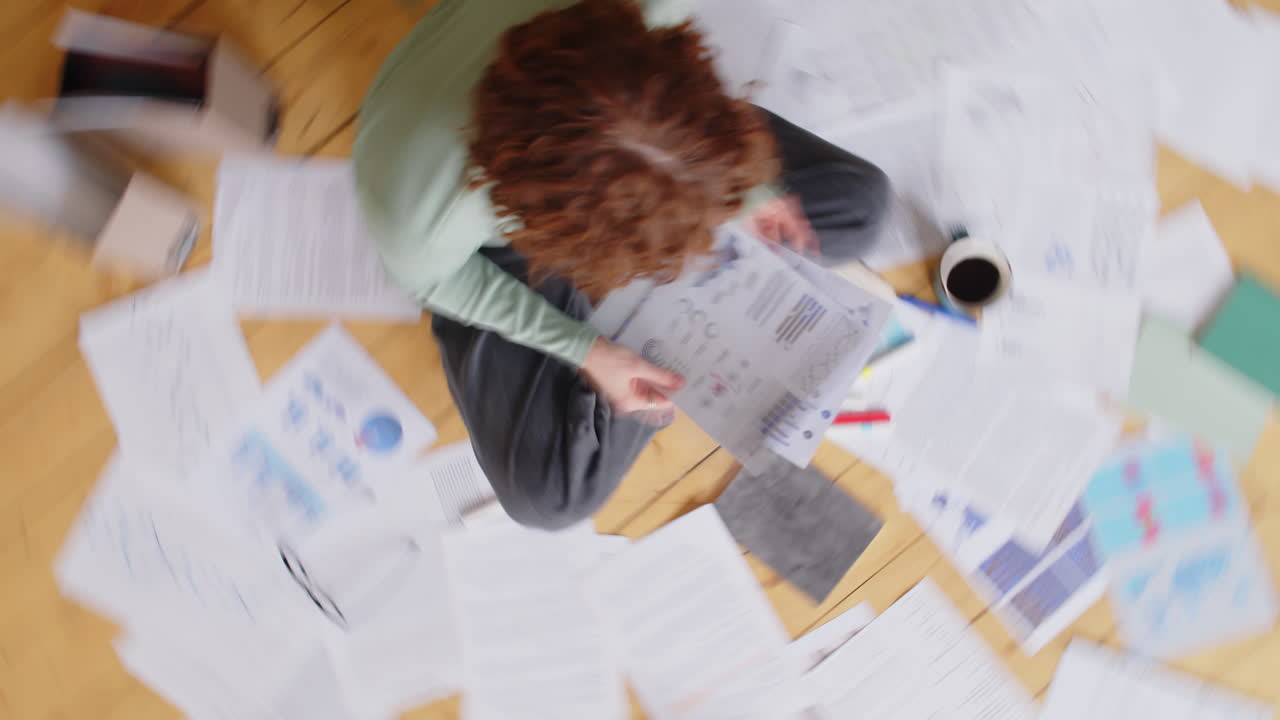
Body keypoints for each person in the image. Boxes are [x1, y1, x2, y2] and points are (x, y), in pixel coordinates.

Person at [354, 0, 889, 529]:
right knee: (548, 498)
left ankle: (645, 342)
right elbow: (447, 285)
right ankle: (640, 355)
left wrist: (743, 187)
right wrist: (583, 348)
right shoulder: (417, 217)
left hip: (621, 110)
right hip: (501, 230)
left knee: (861, 206)